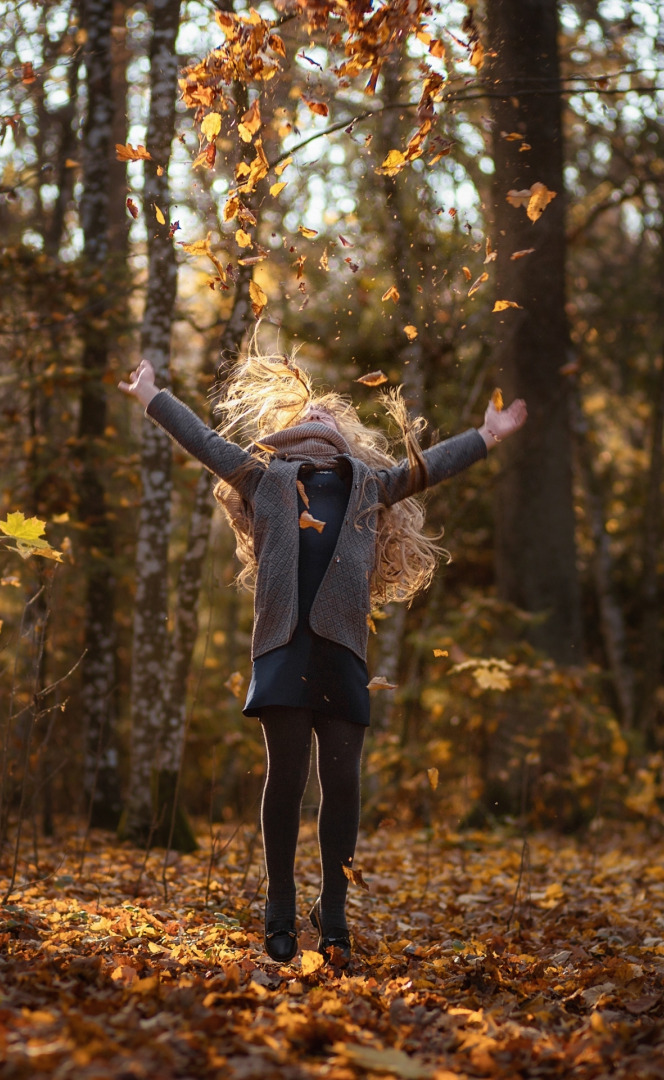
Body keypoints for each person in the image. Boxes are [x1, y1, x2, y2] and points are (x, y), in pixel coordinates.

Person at [119, 348, 527, 966]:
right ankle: (279, 908)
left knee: (341, 783)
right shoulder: (266, 478)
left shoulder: (368, 486)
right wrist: (152, 396)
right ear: (295, 427)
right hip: (282, 645)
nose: (321, 416)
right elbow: (204, 442)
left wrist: (486, 437)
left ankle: (332, 909)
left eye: (331, 414)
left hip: (341, 649)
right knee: (284, 777)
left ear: (344, 435)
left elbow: (429, 467)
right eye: (312, 411)